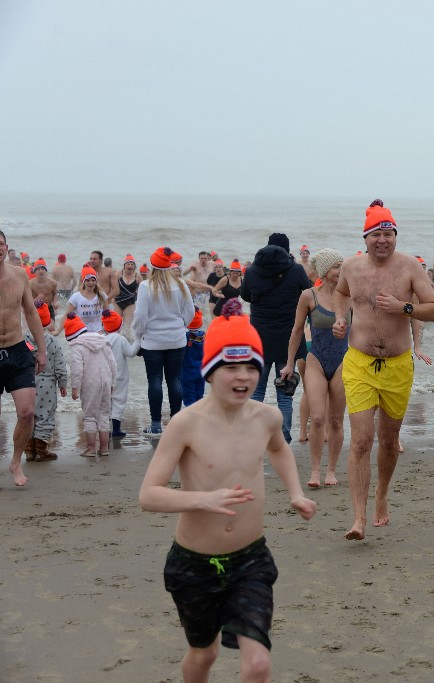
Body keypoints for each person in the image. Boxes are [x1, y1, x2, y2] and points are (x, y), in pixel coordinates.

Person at [138, 302, 317, 683]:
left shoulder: (267, 417)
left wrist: (296, 492)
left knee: (257, 664)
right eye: (231, 367)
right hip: (193, 565)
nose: (243, 376)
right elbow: (149, 495)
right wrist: (204, 499)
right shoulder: (186, 424)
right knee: (204, 655)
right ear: (210, 370)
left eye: (251, 366)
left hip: (251, 560)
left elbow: (279, 449)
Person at [331, 199, 434, 540]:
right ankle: (358, 518)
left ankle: (381, 497)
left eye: (389, 233)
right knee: (362, 440)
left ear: (395, 236)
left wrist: (403, 307)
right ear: (365, 238)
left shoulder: (409, 267)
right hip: (359, 362)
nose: (383, 239)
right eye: (377, 233)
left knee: (389, 440)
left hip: (396, 365)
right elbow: (340, 293)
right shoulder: (350, 267)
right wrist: (339, 318)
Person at [282, 248, 349, 490]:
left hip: (344, 361)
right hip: (315, 360)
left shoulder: (350, 296)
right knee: (318, 418)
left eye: (342, 266)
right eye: (336, 267)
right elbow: (297, 331)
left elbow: (362, 329)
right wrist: (289, 363)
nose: (340, 271)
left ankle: (331, 470)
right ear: (325, 271)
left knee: (336, 420)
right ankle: (314, 471)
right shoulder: (308, 296)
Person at [241, 232, 312, 444]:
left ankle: (254, 436)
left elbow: (245, 296)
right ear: (287, 250)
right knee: (285, 392)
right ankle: (284, 437)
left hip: (259, 338)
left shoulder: (253, 271)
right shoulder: (296, 270)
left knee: (256, 392)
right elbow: (310, 292)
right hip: (288, 338)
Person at [0, 230, 48, 486]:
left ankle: (16, 461)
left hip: (18, 348)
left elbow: (31, 312)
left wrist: (41, 349)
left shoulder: (19, 275)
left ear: (7, 247)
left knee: (27, 412)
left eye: (1, 243)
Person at [133, 247, 196, 436]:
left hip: (152, 342)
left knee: (155, 381)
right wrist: (180, 325)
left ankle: (155, 424)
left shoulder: (146, 286)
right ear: (169, 266)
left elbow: (140, 317)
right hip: (177, 340)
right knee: (175, 380)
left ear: (152, 267)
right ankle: (177, 424)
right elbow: (190, 313)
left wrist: (138, 336)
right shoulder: (181, 284)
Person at [65, 312, 117, 457]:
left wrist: (75, 387)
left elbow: (77, 370)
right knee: (104, 415)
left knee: (89, 416)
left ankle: (91, 448)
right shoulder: (103, 342)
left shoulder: (77, 346)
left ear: (71, 336)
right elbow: (113, 365)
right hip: (106, 382)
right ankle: (105, 448)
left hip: (90, 384)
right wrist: (112, 383)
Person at [26, 300, 66, 462]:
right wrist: (63, 384)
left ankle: (29, 450)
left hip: (26, 384)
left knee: (28, 417)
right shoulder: (53, 342)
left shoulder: (25, 341)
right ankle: (41, 450)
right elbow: (60, 367)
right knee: (45, 416)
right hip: (47, 385)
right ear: (49, 321)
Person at [103, 308, 140, 438]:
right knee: (118, 399)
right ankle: (117, 430)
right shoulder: (121, 339)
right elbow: (130, 353)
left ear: (104, 327)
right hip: (119, 377)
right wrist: (138, 341)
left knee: (105, 401)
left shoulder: (102, 339)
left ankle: (104, 428)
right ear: (120, 326)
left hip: (104, 377)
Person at [67, 266, 106, 332]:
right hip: (82, 332)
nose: (91, 283)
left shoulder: (102, 296)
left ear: (96, 281)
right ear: (83, 281)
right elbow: (67, 316)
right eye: (88, 280)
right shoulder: (76, 297)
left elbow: (109, 315)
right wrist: (58, 331)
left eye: (93, 280)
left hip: (99, 333)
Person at [181, 308, 206, 407]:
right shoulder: (204, 336)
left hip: (187, 373)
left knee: (189, 398)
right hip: (201, 372)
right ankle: (200, 416)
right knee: (199, 396)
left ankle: (191, 418)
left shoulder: (185, 336)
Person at [113, 254, 141, 334]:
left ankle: (127, 342)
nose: (130, 266)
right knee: (116, 324)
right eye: (128, 264)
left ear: (134, 266)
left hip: (130, 303)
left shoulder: (137, 276)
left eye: (132, 264)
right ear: (124, 265)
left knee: (127, 326)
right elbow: (113, 287)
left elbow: (143, 291)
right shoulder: (118, 274)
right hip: (117, 302)